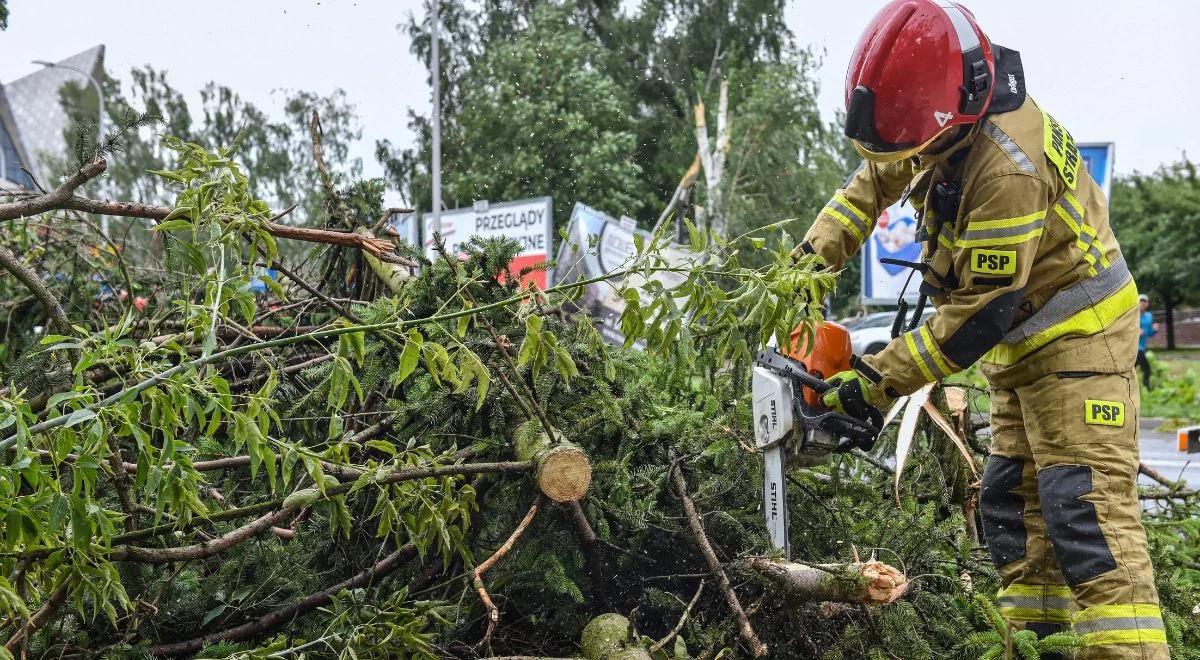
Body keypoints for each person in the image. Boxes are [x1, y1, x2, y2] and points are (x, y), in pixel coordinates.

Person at [801, 2, 1165, 658]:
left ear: (948, 116)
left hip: (1078, 340)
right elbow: (870, 184)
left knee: (1085, 516)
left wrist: (879, 380)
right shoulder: (935, 116)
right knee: (1011, 506)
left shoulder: (1006, 166)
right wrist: (802, 269)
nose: (904, 157)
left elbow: (980, 315)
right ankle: (1037, 645)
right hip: (1024, 348)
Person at [1136, 294, 1157, 389]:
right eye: (1141, 301)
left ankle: (1142, 390)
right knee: (1147, 369)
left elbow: (1149, 333)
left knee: (1134, 369)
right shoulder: (1133, 315)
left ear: (1147, 304)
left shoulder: (1149, 316)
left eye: (1145, 301)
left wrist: (1155, 330)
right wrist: (1136, 332)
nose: (1143, 303)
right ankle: (1146, 388)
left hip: (1142, 348)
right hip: (1134, 348)